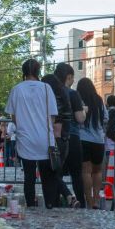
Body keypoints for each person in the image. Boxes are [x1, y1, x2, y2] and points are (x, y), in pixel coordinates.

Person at [5, 59, 59, 209]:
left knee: (29, 177)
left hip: (25, 138)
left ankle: (30, 206)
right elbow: (53, 116)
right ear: (38, 71)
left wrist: (23, 123)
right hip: (45, 139)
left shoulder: (17, 89)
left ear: (23, 71)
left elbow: (13, 116)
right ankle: (49, 205)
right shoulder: (47, 88)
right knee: (47, 177)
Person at [54, 63, 86, 208]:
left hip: (55, 137)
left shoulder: (51, 93)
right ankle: (80, 202)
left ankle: (57, 202)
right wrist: (85, 110)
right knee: (76, 174)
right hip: (72, 135)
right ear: (69, 77)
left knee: (57, 172)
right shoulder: (73, 94)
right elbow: (80, 118)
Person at [77, 77, 109, 209]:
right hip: (99, 140)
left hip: (83, 139)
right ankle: (96, 199)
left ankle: (88, 201)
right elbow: (106, 118)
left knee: (86, 172)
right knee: (97, 171)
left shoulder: (80, 101)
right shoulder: (99, 100)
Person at [42, 74, 72, 208]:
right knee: (55, 172)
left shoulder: (50, 99)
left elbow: (52, 122)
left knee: (49, 175)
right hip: (64, 140)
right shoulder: (65, 97)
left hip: (52, 140)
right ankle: (59, 202)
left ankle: (63, 197)